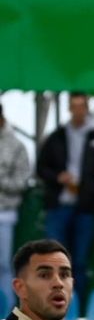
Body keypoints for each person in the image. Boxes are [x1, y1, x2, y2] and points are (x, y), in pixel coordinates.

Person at [36, 93, 94, 290]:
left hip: (85, 208)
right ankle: (52, 308)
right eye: (74, 106)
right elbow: (41, 168)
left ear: (87, 108)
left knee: (79, 261)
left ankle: (76, 311)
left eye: (82, 106)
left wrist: (92, 190)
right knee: (52, 260)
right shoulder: (56, 137)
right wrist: (58, 177)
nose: (78, 110)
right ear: (69, 108)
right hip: (58, 206)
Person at [0, 104, 30, 300]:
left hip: (4, 212)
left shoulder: (17, 145)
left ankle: (5, 315)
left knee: (3, 265)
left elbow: (22, 182)